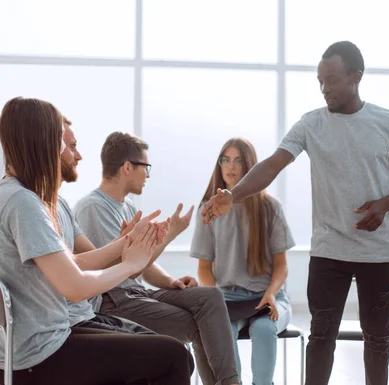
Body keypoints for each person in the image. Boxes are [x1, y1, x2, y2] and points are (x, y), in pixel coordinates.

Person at [201, 41, 389, 385]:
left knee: (377, 340)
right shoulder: (311, 124)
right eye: (320, 81)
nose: (325, 89)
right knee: (321, 339)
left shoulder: (387, 122)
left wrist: (384, 204)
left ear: (356, 77)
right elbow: (274, 163)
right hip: (328, 251)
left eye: (332, 80)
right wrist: (234, 194)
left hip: (377, 252)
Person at [0, 96, 191, 384]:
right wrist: (130, 264)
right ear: (43, 143)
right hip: (41, 354)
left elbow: (72, 263)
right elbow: (76, 288)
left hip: (48, 339)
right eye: (61, 141)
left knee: (167, 351)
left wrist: (125, 244)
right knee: (174, 356)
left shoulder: (15, 195)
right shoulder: (23, 203)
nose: (67, 150)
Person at [74, 131, 240, 385]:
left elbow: (143, 266)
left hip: (138, 293)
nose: (148, 175)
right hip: (115, 300)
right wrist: (170, 234)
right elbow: (127, 268)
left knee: (210, 296)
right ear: (128, 167)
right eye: (145, 167)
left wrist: (170, 282)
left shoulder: (127, 206)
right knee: (200, 325)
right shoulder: (92, 208)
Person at [192, 138, 295, 385]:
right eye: (225, 159)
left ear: (249, 165)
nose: (231, 166)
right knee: (222, 334)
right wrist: (215, 298)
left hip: (269, 297)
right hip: (227, 298)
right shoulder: (208, 210)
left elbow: (282, 265)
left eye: (238, 160)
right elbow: (204, 268)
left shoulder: (270, 207)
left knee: (263, 329)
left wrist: (271, 294)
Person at [60, 116, 161, 335]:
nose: (79, 155)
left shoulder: (60, 205)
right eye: (71, 146)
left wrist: (128, 240)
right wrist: (129, 252)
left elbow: (86, 260)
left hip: (85, 313)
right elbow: (78, 283)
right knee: (175, 353)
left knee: (205, 301)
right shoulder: (90, 206)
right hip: (76, 321)